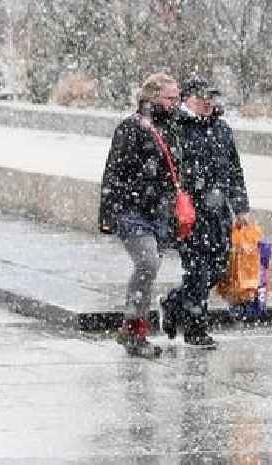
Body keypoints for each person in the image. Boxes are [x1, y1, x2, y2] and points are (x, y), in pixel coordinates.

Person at [161, 76, 251, 347]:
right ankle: (196, 329)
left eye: (212, 98)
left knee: (219, 268)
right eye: (203, 98)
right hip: (189, 215)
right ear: (188, 98)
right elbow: (167, 171)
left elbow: (234, 171)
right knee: (197, 271)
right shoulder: (175, 127)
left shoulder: (222, 129)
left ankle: (174, 302)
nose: (209, 103)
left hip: (218, 213)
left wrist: (241, 207)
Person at [98, 72, 181, 356]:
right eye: (171, 98)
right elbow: (113, 172)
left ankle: (131, 329)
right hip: (132, 211)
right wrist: (108, 215)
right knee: (147, 263)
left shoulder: (171, 128)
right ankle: (134, 327)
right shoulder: (131, 128)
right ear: (153, 97)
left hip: (156, 212)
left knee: (149, 267)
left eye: (177, 97)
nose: (175, 103)